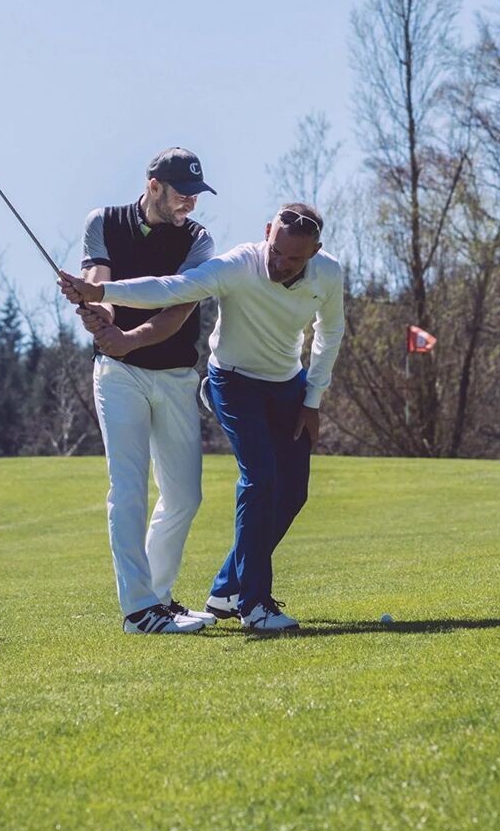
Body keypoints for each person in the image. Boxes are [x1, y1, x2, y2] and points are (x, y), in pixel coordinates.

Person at [60, 202, 345, 632]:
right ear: (268, 230)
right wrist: (102, 292)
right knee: (260, 479)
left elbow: (330, 331)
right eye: (276, 251)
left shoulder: (328, 273)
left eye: (294, 259)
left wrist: (312, 400)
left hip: (288, 384)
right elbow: (172, 288)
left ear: (315, 251)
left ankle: (227, 590)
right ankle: (254, 605)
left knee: (292, 492)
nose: (282, 264)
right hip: (233, 380)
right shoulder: (237, 265)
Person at [78, 148, 218, 635]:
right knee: (129, 489)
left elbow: (176, 306)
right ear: (154, 186)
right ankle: (139, 610)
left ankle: (158, 597)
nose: (190, 204)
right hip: (119, 376)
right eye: (183, 194)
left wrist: (128, 338)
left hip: (176, 374)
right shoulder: (104, 221)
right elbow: (99, 280)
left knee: (184, 495)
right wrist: (98, 314)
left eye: (196, 195)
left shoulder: (199, 240)